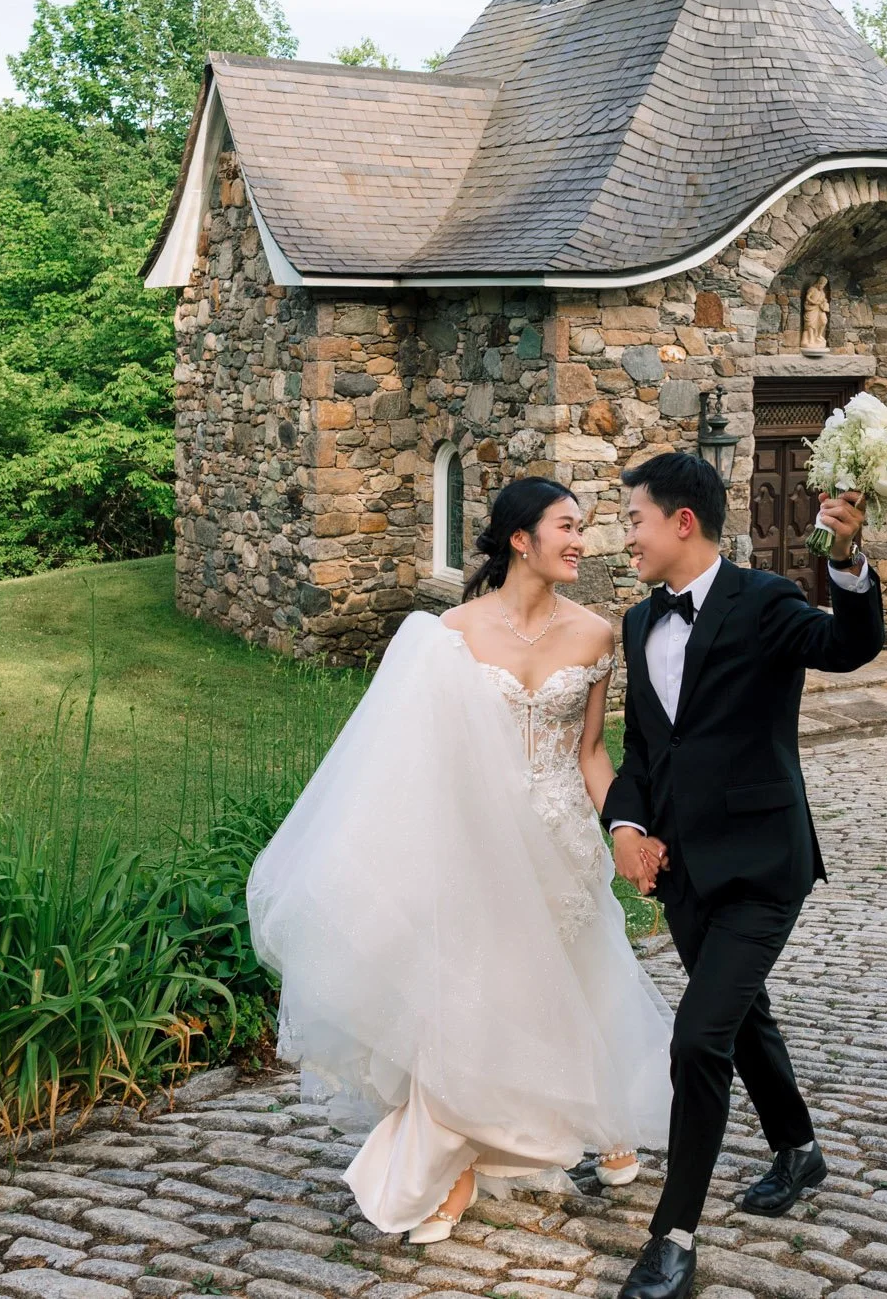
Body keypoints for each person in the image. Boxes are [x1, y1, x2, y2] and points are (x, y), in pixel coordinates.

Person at [247, 476, 672, 1245]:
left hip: (563, 837)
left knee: (579, 972)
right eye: (566, 527)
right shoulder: (449, 633)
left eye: (585, 527)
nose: (582, 540)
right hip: (476, 836)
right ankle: (456, 1159)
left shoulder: (597, 635)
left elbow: (590, 751)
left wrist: (622, 829)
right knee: (473, 995)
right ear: (521, 538)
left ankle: (600, 1110)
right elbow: (416, 756)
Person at [605, 451, 883, 1299]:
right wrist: (623, 823)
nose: (626, 537)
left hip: (765, 865)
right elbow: (652, 749)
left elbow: (849, 644)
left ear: (682, 522)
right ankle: (797, 1150)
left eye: (633, 520)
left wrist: (844, 560)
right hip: (684, 871)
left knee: (698, 1037)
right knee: (739, 1013)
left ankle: (673, 1241)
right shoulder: (637, 621)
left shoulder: (765, 601)